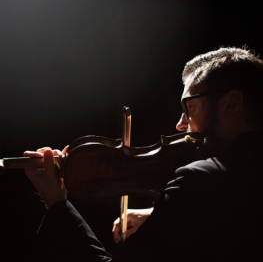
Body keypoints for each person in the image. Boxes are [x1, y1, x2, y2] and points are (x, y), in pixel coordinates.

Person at [24, 47, 263, 261]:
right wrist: (159, 215)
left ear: (231, 104)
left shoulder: (200, 181)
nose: (181, 124)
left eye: (190, 107)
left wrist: (56, 202)